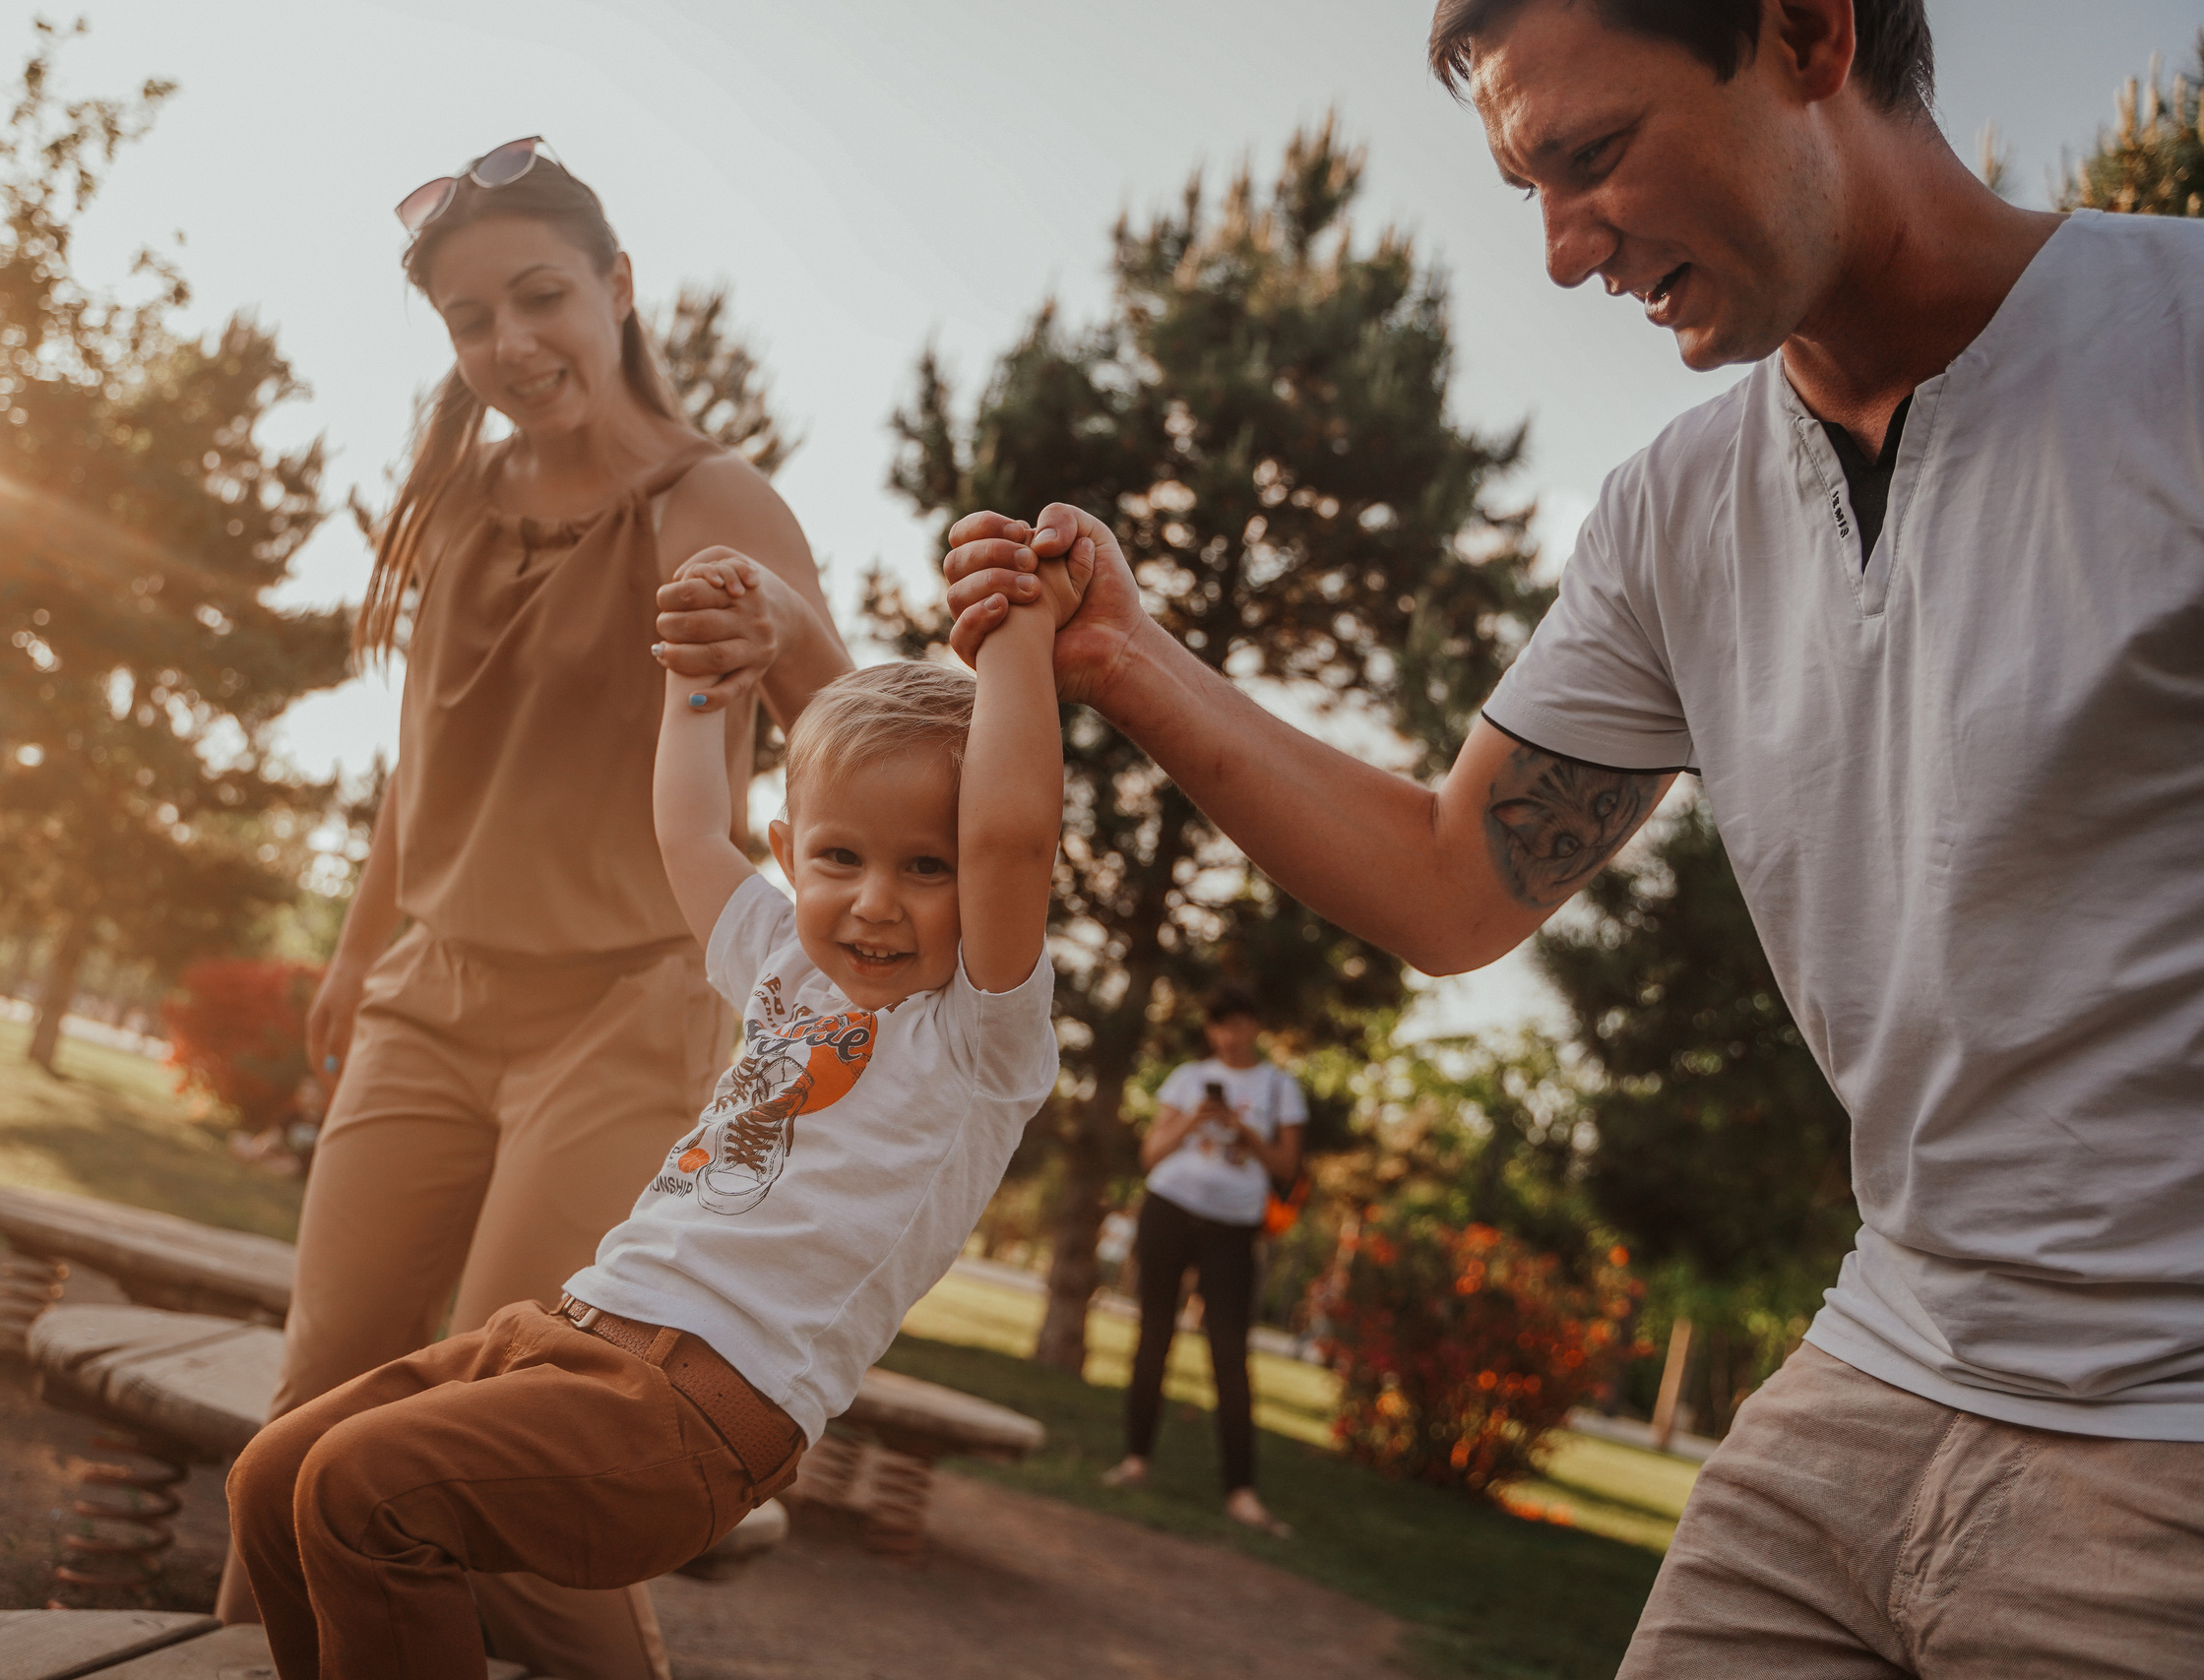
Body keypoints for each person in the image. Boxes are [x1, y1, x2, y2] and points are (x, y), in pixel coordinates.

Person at [941, 1, 2204, 1671]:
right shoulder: (1676, 515)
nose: (1557, 253)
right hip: (1876, 1374)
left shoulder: (2174, 353)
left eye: (1592, 160)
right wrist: (1127, 659)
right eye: (1529, 185)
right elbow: (1453, 883)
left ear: (1808, 35)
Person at [217, 139, 850, 1677]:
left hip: (627, 1012)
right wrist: (364, 950)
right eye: (468, 317)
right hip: (430, 998)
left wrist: (785, 636)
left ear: (619, 290)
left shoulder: (716, 498)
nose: (509, 343)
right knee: (315, 1399)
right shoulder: (456, 499)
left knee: (492, 1437)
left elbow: (856, 746)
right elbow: (424, 754)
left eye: (542, 296)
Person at [227, 549, 1073, 1680]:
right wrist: (696, 682)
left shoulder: (976, 1036)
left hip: (693, 1417)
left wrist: (1017, 624)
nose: (874, 901)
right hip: (563, 1339)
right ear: (789, 854)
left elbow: (1014, 832)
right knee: (278, 1472)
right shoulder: (781, 962)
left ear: (984, 880)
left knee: (362, 1492)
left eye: (929, 866)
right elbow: (684, 829)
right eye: (839, 857)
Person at [1102, 984, 1301, 1536]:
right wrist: (1193, 1120)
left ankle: (1242, 1492)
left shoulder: (1279, 1088)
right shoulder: (1187, 1079)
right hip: (1169, 1210)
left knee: (1230, 1354)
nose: (1228, 1035)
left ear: (1255, 1025)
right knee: (1154, 1336)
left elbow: (1287, 1167)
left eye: (1237, 1023)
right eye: (1218, 1025)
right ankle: (1135, 1460)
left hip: (1233, 1228)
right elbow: (1150, 1154)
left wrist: (1244, 1131)